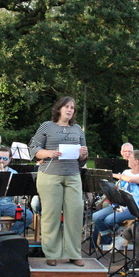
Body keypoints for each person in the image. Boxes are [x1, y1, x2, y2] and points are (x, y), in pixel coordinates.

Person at [29, 96, 88, 266]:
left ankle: (74, 253)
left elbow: (83, 158)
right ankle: (52, 254)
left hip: (73, 175)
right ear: (59, 109)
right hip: (50, 175)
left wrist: (84, 154)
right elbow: (34, 148)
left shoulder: (77, 129)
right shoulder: (47, 126)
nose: (70, 110)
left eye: (72, 108)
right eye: (66, 107)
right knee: (51, 215)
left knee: (75, 214)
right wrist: (49, 153)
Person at [93, 150, 139, 247]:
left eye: (130, 158)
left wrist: (110, 174)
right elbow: (120, 184)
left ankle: (120, 237)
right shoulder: (126, 172)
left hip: (134, 208)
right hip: (120, 204)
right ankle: (116, 236)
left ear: (137, 161)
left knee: (109, 220)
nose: (127, 159)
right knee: (96, 216)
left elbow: (130, 179)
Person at [0, 147, 34, 235]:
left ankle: (9, 236)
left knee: (28, 215)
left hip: (8, 204)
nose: (1, 161)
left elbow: (18, 192)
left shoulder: (13, 173)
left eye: (5, 159)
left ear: (10, 159)